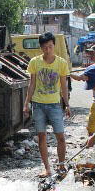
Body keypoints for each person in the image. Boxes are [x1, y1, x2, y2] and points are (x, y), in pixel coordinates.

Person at [23, 32, 71, 177]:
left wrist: (67, 105)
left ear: (54, 46)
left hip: (55, 105)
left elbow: (64, 86)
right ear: (41, 48)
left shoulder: (61, 63)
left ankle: (61, 166)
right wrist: (26, 104)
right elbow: (32, 85)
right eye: (45, 47)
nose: (48, 50)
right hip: (38, 105)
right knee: (42, 136)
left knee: (61, 137)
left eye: (50, 46)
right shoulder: (35, 62)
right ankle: (47, 168)